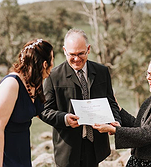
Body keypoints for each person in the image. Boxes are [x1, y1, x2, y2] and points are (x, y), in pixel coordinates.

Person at [39, 28, 121, 167]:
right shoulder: (53, 76)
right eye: (72, 54)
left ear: (88, 49)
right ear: (64, 51)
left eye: (81, 53)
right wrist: (64, 119)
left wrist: (115, 122)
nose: (76, 59)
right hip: (68, 149)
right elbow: (44, 111)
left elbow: (111, 101)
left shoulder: (102, 72)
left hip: (96, 147)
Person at [93, 58, 151, 167]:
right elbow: (138, 126)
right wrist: (119, 110)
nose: (148, 77)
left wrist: (115, 130)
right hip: (138, 161)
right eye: (148, 73)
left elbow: (147, 134)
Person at [0, 39, 54, 167]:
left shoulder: (35, 83)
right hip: (3, 150)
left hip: (21, 149)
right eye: (52, 60)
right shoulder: (11, 84)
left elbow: (41, 112)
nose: (53, 65)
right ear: (44, 64)